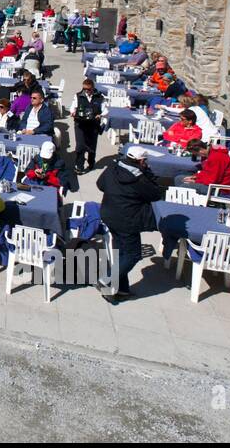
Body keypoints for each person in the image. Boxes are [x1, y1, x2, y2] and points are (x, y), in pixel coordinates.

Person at [96, 145, 166, 302]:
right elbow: (155, 194)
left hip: (109, 214)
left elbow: (100, 184)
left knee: (122, 252)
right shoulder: (139, 178)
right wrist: (148, 173)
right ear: (141, 161)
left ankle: (121, 289)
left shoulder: (113, 167)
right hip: (127, 220)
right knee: (133, 254)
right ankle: (107, 279)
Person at [70, 77, 104, 173]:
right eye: (84, 89)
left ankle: (91, 162)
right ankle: (79, 166)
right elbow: (73, 107)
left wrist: (100, 114)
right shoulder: (78, 96)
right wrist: (73, 112)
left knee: (91, 146)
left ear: (92, 88)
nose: (86, 91)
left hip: (93, 124)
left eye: (88, 89)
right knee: (80, 146)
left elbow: (105, 110)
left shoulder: (100, 97)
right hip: (80, 124)